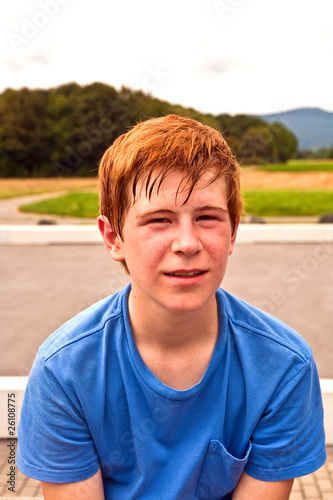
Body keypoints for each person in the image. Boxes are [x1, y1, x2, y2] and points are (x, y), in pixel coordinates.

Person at [17, 114, 326, 499]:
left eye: (207, 217)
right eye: (159, 220)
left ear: (233, 232)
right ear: (113, 237)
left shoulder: (284, 367)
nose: (187, 243)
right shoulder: (64, 373)